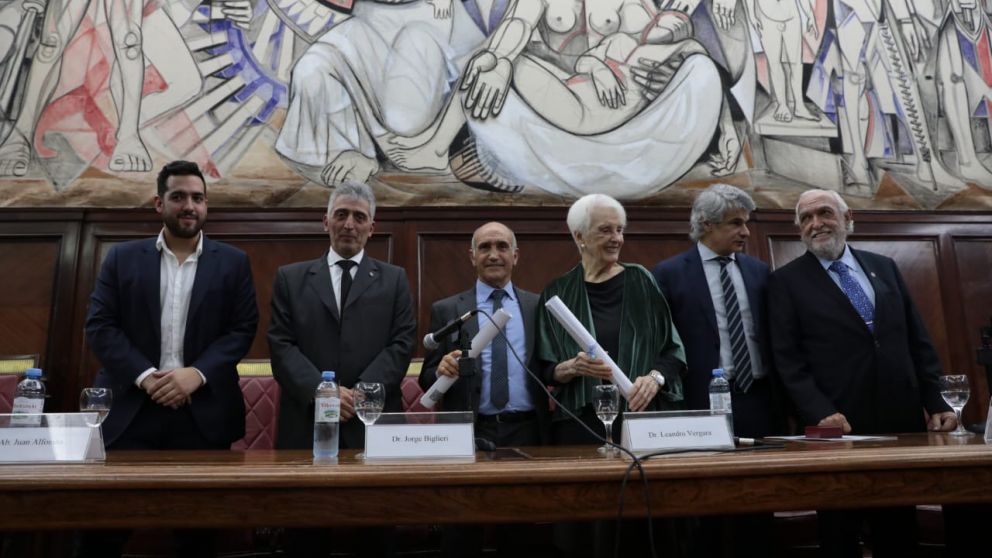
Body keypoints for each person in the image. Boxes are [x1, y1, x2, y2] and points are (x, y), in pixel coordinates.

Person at [767, 188, 958, 557]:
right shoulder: (786, 282)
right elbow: (786, 359)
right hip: (836, 423)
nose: (815, 224)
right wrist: (817, 411)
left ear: (848, 217)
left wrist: (937, 400)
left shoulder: (883, 266)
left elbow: (917, 340)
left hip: (899, 418)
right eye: (805, 219)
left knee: (899, 528)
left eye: (824, 213)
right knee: (840, 530)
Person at [82, 160, 259, 557]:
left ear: (207, 205)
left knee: (199, 536)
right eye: (178, 197)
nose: (188, 206)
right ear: (158, 202)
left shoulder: (233, 262)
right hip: (130, 412)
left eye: (197, 198)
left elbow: (241, 331)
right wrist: (147, 377)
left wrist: (195, 375)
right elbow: (101, 327)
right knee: (102, 532)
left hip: (203, 414)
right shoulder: (121, 258)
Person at [267, 179, 416, 557]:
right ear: (325, 221)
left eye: (359, 217)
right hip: (306, 426)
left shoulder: (394, 279)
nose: (350, 224)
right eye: (342, 215)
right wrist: (325, 391)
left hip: (373, 425)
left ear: (372, 227)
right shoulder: (291, 277)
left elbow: (401, 344)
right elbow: (281, 345)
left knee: (375, 537)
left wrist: (360, 394)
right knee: (304, 536)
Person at [534, 193, 686, 557]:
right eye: (605, 230)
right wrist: (569, 368)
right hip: (581, 427)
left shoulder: (641, 281)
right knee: (586, 529)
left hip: (640, 422)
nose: (616, 238)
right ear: (579, 237)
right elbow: (542, 368)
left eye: (620, 230)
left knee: (640, 527)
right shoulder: (556, 293)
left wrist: (655, 378)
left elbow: (674, 351)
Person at [652, 183, 783, 558]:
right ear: (706, 225)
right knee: (704, 508)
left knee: (758, 507)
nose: (745, 231)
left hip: (757, 401)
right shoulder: (669, 274)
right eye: (736, 223)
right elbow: (664, 345)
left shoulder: (759, 272)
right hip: (700, 404)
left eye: (747, 223)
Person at [419, 221, 548, 557]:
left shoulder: (537, 307)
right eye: (485, 247)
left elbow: (549, 369)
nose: (494, 255)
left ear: (516, 256)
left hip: (526, 434)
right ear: (471, 256)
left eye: (502, 247)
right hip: (467, 435)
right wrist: (442, 366)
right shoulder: (448, 310)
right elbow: (426, 378)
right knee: (462, 534)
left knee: (521, 537)